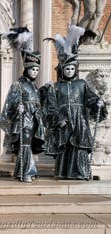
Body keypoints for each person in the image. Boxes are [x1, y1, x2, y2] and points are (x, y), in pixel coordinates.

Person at [44, 25, 107, 180]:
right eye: (67, 69)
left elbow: (90, 97)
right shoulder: (56, 87)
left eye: (72, 69)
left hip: (80, 121)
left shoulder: (82, 84)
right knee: (66, 147)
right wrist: (59, 119)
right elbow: (51, 106)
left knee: (79, 147)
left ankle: (81, 172)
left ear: (75, 70)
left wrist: (97, 102)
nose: (70, 71)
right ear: (62, 69)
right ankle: (64, 172)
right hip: (64, 121)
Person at [0, 28, 45, 183]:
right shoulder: (18, 85)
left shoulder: (34, 87)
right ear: (26, 69)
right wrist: (16, 110)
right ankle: (26, 172)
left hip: (34, 121)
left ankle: (25, 170)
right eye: (32, 69)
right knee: (24, 146)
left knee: (30, 147)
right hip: (23, 121)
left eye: (37, 70)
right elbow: (9, 105)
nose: (35, 72)